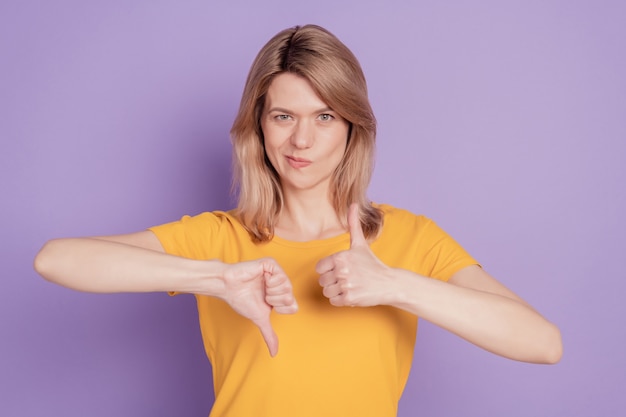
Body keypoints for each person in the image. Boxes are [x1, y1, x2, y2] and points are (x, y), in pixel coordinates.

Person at [34, 24, 562, 417]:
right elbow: (56, 259)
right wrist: (216, 279)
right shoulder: (220, 238)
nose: (301, 141)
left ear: (353, 129)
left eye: (324, 117)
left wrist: (394, 284)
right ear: (259, 128)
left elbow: (542, 343)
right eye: (283, 116)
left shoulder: (409, 238)